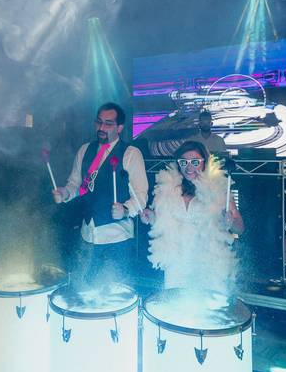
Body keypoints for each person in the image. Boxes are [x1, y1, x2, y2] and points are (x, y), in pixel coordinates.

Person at [53, 102, 148, 284]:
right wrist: (65, 193)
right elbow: (76, 185)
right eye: (99, 122)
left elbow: (141, 195)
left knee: (115, 291)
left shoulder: (131, 154)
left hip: (117, 238)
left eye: (108, 123)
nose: (101, 128)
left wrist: (126, 210)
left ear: (119, 128)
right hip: (87, 235)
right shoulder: (84, 150)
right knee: (86, 288)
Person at [141, 141, 244, 293]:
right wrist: (151, 217)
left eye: (195, 162)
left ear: (204, 162)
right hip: (177, 263)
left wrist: (230, 221)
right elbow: (161, 222)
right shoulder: (168, 188)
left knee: (207, 304)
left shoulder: (219, 190)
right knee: (177, 303)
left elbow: (240, 229)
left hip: (208, 263)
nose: (189, 168)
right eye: (184, 162)